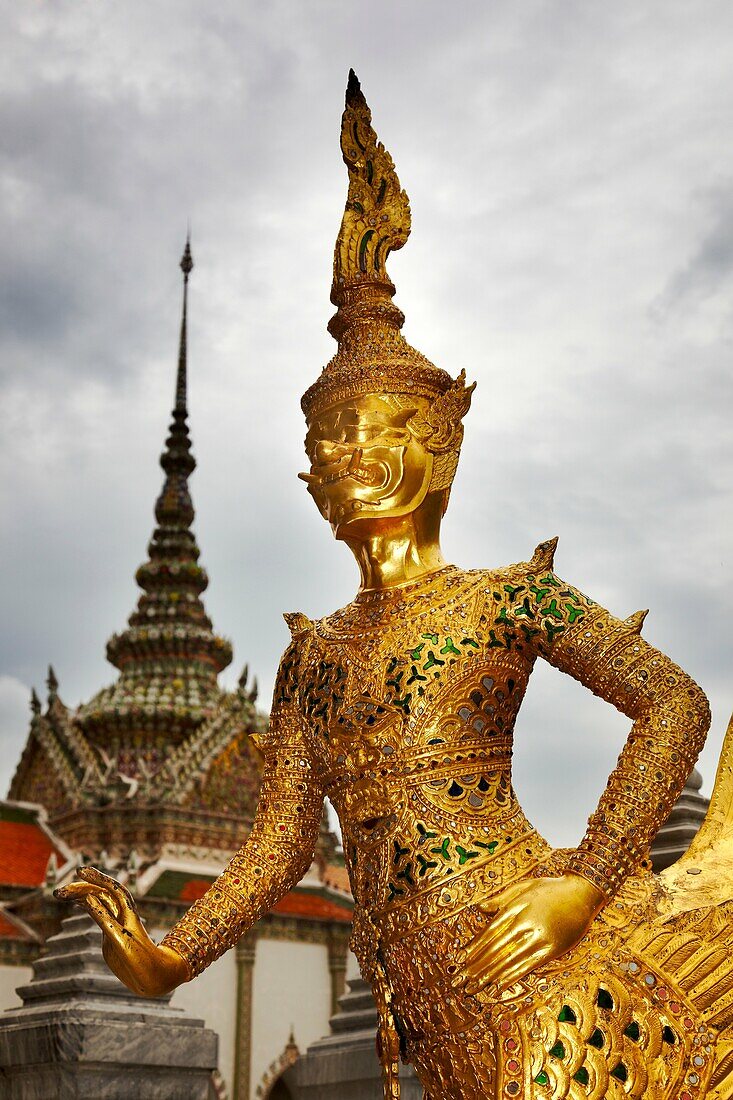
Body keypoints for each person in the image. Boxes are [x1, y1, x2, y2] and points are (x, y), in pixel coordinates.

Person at [60, 74, 724, 1100]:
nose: (351, 455)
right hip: (416, 1006)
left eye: (377, 432)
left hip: (528, 957)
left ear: (438, 445)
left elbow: (673, 701)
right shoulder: (312, 655)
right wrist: (171, 954)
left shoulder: (509, 599)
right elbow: (281, 842)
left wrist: (583, 884)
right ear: (308, 474)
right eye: (331, 440)